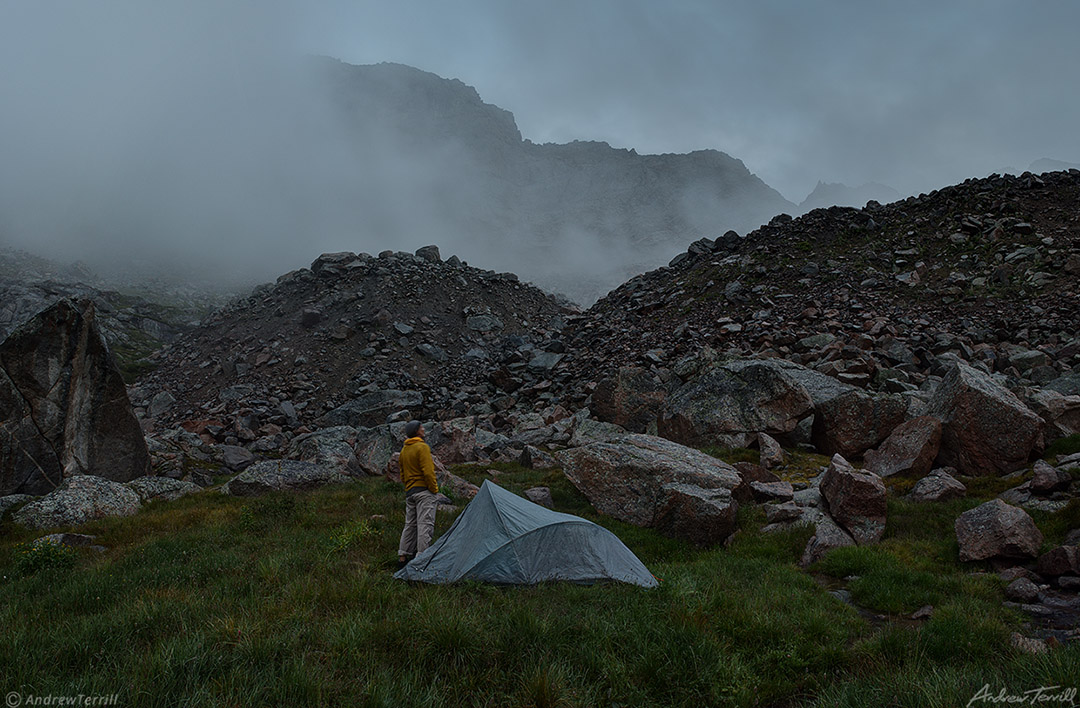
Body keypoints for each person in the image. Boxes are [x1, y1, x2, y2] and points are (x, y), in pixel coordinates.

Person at [397, 420, 439, 569]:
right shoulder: (422, 447)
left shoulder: (404, 450)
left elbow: (402, 474)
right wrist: (434, 489)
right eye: (421, 427)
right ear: (416, 431)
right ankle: (421, 560)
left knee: (410, 524)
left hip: (410, 492)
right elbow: (428, 472)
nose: (423, 429)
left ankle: (402, 556)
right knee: (425, 524)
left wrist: (409, 486)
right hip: (424, 491)